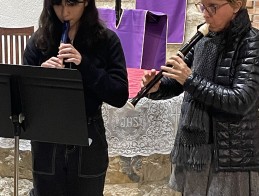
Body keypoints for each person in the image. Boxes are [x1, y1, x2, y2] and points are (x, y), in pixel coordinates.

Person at [141, 0, 259, 195]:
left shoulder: (252, 42)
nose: (205, 14)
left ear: (236, 5)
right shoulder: (203, 37)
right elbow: (180, 83)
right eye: (202, 6)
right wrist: (157, 87)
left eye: (212, 7)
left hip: (229, 156)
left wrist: (190, 79)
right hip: (196, 151)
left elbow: (241, 100)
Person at [23, 0, 128, 195]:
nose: (65, 12)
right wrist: (40, 77)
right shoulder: (39, 41)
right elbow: (24, 101)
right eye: (57, 4)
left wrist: (84, 65)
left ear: (86, 2)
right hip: (47, 139)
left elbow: (119, 95)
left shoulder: (106, 40)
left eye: (72, 4)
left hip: (88, 135)